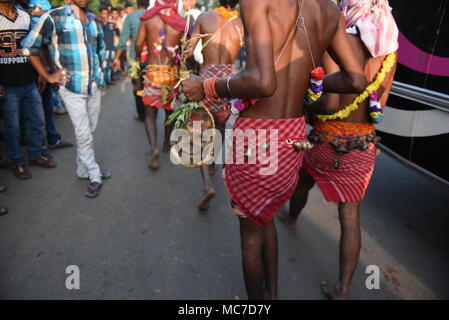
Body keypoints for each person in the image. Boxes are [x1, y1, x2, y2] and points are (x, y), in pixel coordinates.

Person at [182, 0, 366, 300]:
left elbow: (262, 82)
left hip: (258, 138)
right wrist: (310, 82)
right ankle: (273, 295)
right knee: (264, 218)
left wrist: (207, 86)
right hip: (292, 136)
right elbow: (356, 79)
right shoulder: (329, 10)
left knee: (251, 238)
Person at [278, 0, 398, 300]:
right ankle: (342, 289)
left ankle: (292, 218)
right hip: (363, 145)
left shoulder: (340, 41)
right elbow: (377, 109)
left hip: (325, 141)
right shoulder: (389, 56)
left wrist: (304, 103)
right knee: (350, 215)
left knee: (303, 181)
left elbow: (329, 104)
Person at [23, 0, 112, 198]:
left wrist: (100, 74)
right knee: (83, 133)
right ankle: (94, 174)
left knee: (90, 130)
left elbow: (100, 50)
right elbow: (29, 47)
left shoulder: (93, 20)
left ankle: (83, 170)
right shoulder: (54, 17)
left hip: (94, 86)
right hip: (71, 87)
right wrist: (48, 76)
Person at [189, 0, 243, 210]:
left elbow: (188, 51)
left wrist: (195, 69)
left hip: (206, 77)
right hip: (229, 80)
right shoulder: (242, 23)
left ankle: (207, 185)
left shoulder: (204, 18)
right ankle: (214, 165)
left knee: (199, 130)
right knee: (220, 125)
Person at [0, 0, 57, 180]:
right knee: (12, 127)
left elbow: (35, 45)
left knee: (39, 120)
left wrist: (40, 73)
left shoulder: (25, 16)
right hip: (7, 84)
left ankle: (35, 153)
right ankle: (17, 162)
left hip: (29, 80)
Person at [136, 0, 186, 169]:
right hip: (171, 73)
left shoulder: (147, 19)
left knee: (150, 114)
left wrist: (139, 59)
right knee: (169, 111)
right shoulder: (181, 22)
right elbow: (185, 51)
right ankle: (166, 143)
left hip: (152, 71)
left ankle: (153, 147)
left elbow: (138, 44)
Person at [113, 0, 149, 122]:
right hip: (152, 60)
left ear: (137, 3)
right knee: (150, 87)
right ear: (148, 3)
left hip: (135, 59)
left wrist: (117, 58)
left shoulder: (130, 17)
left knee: (137, 86)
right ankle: (150, 114)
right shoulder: (153, 15)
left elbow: (123, 39)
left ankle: (142, 115)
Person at [99, 7, 119, 86]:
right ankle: (103, 81)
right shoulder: (99, 23)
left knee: (110, 65)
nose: (105, 15)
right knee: (104, 65)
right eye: (103, 13)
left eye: (106, 13)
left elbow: (117, 34)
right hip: (104, 48)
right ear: (100, 14)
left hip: (112, 48)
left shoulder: (111, 24)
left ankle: (108, 80)